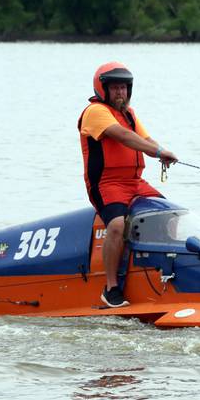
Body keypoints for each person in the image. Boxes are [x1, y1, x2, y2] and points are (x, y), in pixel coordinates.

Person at [77, 62, 178, 307]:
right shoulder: (95, 112)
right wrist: (158, 151)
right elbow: (123, 136)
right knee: (116, 225)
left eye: (123, 88)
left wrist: (162, 151)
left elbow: (144, 138)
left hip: (135, 181)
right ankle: (111, 288)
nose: (120, 93)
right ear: (103, 90)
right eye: (115, 88)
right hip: (106, 183)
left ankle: (161, 275)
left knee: (168, 215)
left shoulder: (129, 114)